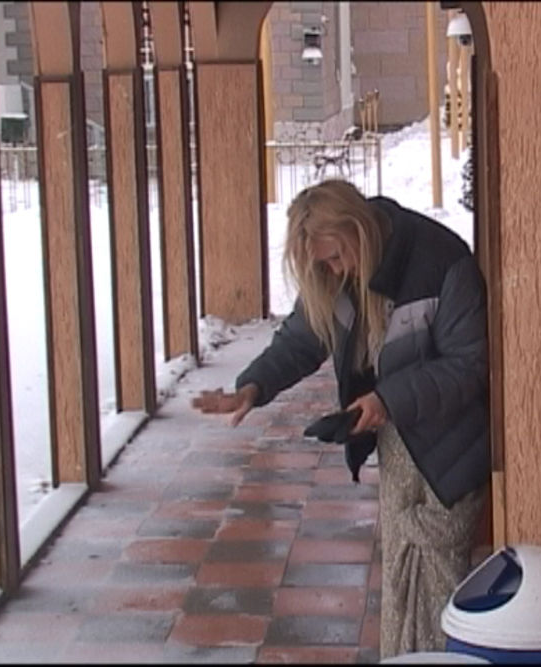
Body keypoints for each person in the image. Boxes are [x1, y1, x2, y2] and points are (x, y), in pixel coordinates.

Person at [192, 179, 490, 657]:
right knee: (397, 577)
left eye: (334, 257)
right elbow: (302, 336)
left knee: (437, 578)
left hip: (452, 443)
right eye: (322, 265)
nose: (332, 271)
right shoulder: (340, 274)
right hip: (401, 441)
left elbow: (469, 367)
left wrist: (386, 399)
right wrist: (253, 386)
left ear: (360, 230)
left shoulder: (442, 260)